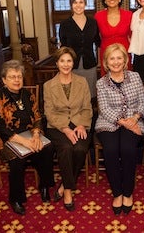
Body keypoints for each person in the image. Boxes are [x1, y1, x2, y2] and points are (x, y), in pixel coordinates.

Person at [0, 59, 54, 215]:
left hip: (30, 134)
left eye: (19, 76)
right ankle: (16, 198)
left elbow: (38, 117)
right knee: (17, 161)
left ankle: (44, 186)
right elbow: (0, 128)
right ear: (4, 80)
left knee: (47, 149)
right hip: (6, 139)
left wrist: (37, 135)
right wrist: (24, 141)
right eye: (12, 77)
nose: (17, 80)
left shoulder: (27, 95)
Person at [95, 43, 144, 215]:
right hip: (109, 122)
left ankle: (128, 192)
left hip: (134, 119)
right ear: (106, 63)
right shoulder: (101, 83)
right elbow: (104, 108)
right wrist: (125, 122)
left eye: (119, 58)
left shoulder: (136, 77)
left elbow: (142, 102)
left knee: (128, 149)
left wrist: (135, 119)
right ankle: (117, 192)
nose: (116, 62)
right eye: (112, 58)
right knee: (110, 150)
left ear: (125, 60)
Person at [43, 46, 93, 212]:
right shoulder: (48, 85)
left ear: (73, 62)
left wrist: (81, 124)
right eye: (62, 61)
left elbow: (87, 108)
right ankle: (69, 191)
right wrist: (65, 128)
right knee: (65, 148)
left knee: (79, 149)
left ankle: (65, 184)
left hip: (80, 123)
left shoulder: (82, 82)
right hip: (58, 126)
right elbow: (49, 112)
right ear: (56, 63)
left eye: (69, 61)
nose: (66, 64)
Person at [59, 0, 101, 99]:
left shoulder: (93, 23)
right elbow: (63, 48)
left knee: (90, 95)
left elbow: (98, 42)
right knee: (75, 96)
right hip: (72, 66)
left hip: (89, 64)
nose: (78, 5)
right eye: (75, 2)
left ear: (85, 4)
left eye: (81, 2)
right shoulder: (64, 25)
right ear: (71, 4)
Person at [95, 0, 132, 77]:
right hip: (106, 56)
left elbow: (133, 37)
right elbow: (95, 37)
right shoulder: (98, 16)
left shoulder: (129, 15)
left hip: (124, 55)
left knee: (127, 83)